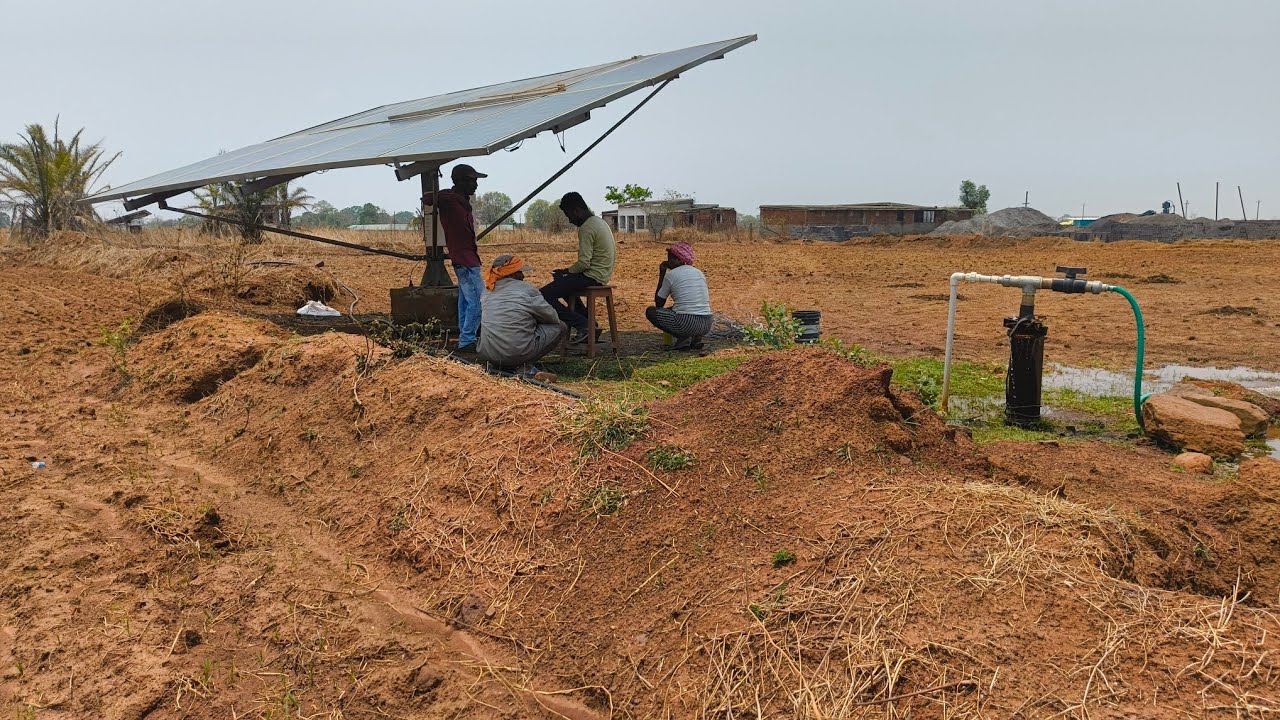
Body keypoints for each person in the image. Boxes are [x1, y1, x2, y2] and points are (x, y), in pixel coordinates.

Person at [423, 163, 486, 353]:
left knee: (466, 301)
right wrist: (439, 193)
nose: (475, 185)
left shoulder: (462, 202)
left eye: (476, 181)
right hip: (466, 260)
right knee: (479, 300)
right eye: (471, 181)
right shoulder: (450, 199)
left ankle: (465, 337)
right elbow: (427, 198)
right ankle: (467, 340)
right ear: (459, 182)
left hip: (467, 257)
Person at [540, 192, 616, 343]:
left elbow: (583, 263)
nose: (570, 220)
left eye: (569, 215)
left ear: (576, 210)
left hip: (592, 275)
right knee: (561, 281)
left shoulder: (587, 228)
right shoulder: (599, 222)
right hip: (601, 274)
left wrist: (567, 271)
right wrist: (565, 274)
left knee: (542, 296)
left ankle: (583, 325)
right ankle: (590, 324)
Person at [478, 255, 567, 373]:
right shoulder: (527, 289)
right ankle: (525, 366)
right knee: (560, 327)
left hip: (487, 354)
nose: (523, 276)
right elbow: (552, 318)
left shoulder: (487, 291)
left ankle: (497, 366)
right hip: (515, 353)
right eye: (520, 272)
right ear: (512, 274)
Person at [645, 241, 713, 350]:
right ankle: (696, 339)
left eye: (670, 259)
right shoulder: (699, 273)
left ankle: (683, 338)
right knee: (680, 308)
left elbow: (659, 304)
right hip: (706, 323)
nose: (668, 262)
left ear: (679, 260)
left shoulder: (671, 275)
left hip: (687, 323)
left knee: (651, 311)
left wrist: (662, 273)